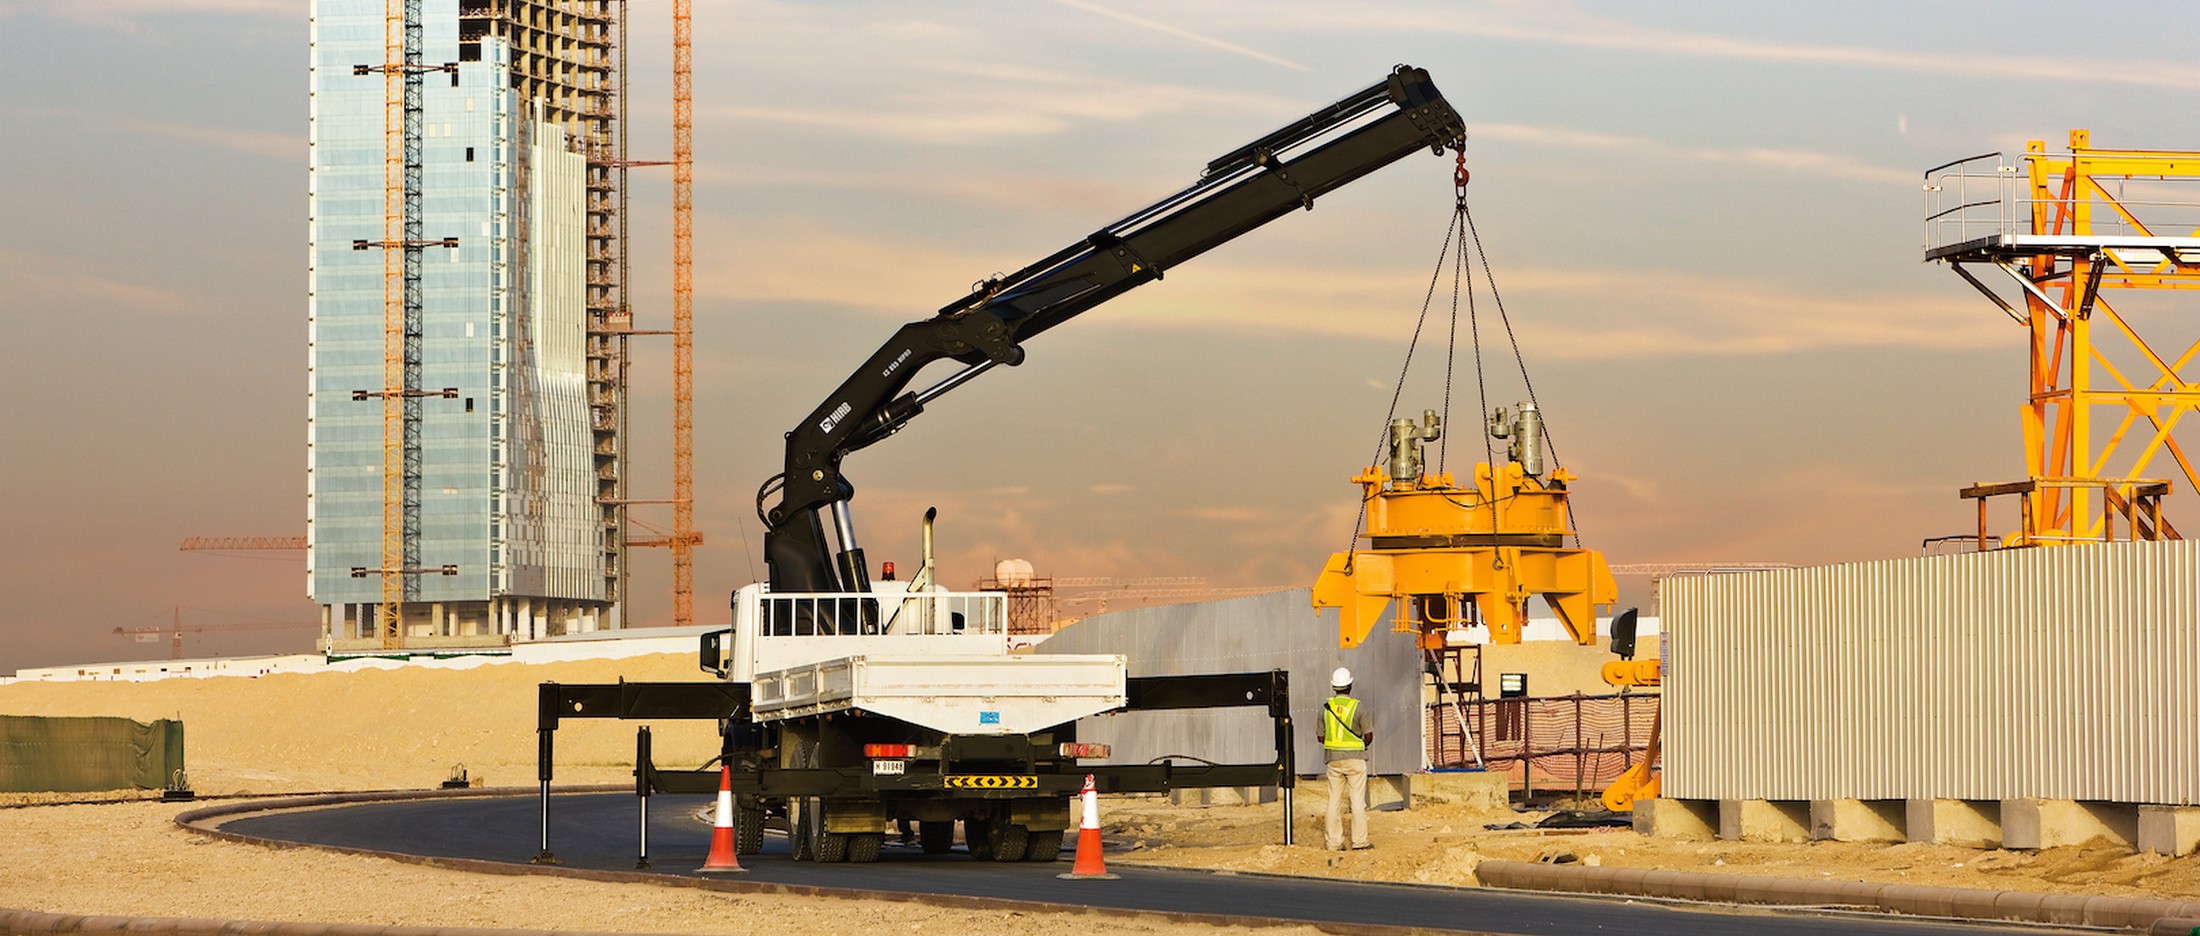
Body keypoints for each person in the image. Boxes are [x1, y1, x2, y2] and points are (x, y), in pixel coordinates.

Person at [1320, 666, 1372, 850]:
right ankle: (1360, 841)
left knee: (1334, 800)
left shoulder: (1326, 708)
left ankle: (1333, 842)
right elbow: (1368, 735)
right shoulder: (1358, 707)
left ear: (1334, 687)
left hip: (1333, 760)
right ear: (1350, 685)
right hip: (1356, 760)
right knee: (1357, 800)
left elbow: (1320, 737)